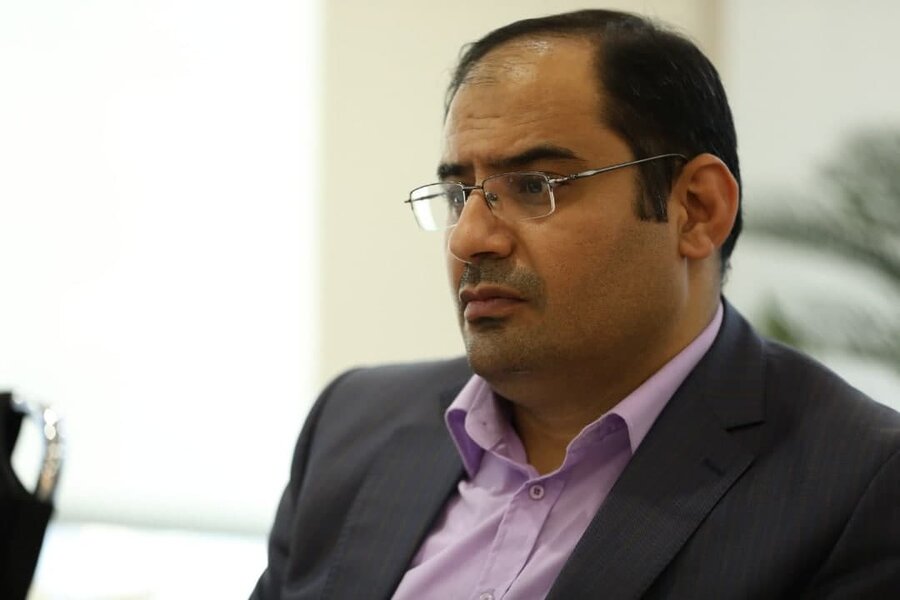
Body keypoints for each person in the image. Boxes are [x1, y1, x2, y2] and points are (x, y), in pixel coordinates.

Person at [251, 9, 900, 599]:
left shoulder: (858, 487)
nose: (470, 239)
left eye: (534, 187)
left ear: (697, 209)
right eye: (458, 194)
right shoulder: (352, 426)